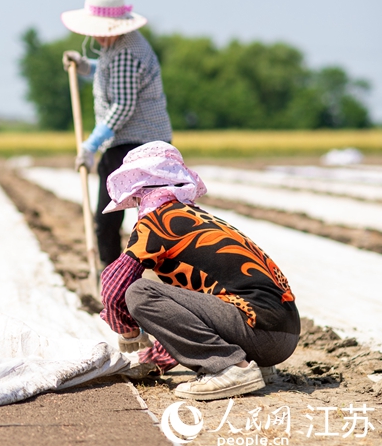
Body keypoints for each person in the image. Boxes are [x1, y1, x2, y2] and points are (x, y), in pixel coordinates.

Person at [99, 141, 300, 400]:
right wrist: (156, 358)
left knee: (139, 293)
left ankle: (231, 368)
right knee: (171, 293)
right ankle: (251, 364)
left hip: (259, 331)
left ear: (140, 191)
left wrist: (127, 330)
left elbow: (113, 285)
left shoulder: (157, 221)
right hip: (283, 334)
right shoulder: (195, 217)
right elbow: (191, 314)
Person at [61, 0, 173, 267]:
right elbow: (109, 69)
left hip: (136, 145)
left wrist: (91, 144)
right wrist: (86, 66)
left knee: (111, 218)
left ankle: (113, 274)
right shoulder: (121, 44)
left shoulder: (126, 52)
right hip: (145, 142)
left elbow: (123, 105)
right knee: (146, 218)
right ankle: (118, 276)